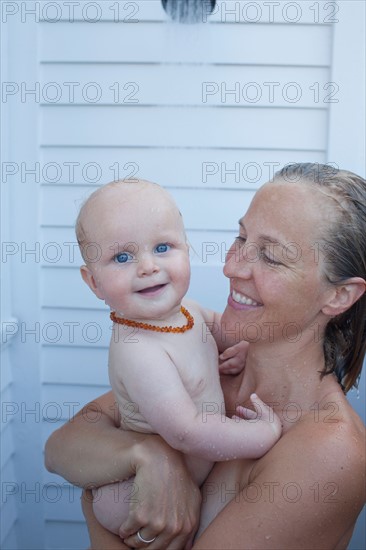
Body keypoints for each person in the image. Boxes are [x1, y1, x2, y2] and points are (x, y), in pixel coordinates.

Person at [45, 163, 366, 550]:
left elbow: (82, 464)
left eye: (270, 256)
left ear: (339, 296)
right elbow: (61, 447)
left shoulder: (328, 451)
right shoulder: (209, 357)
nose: (231, 266)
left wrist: (96, 515)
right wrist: (151, 457)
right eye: (241, 237)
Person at [74, 179, 281, 537]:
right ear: (94, 283)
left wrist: (243, 348)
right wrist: (261, 435)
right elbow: (186, 431)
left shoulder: (188, 311)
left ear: (187, 248)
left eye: (163, 247)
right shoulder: (137, 349)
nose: (148, 266)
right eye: (122, 257)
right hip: (134, 494)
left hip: (191, 476)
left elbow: (228, 331)